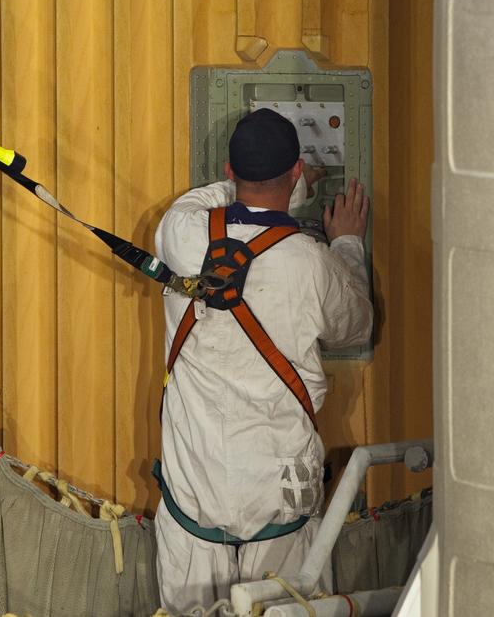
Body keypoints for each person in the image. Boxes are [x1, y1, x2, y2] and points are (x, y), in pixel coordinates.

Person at [152, 107, 374, 612]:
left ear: (229, 172)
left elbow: (210, 202)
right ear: (297, 170)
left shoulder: (180, 232)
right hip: (279, 496)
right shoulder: (313, 262)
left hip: (193, 497)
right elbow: (357, 323)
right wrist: (346, 242)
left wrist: (272, 189)